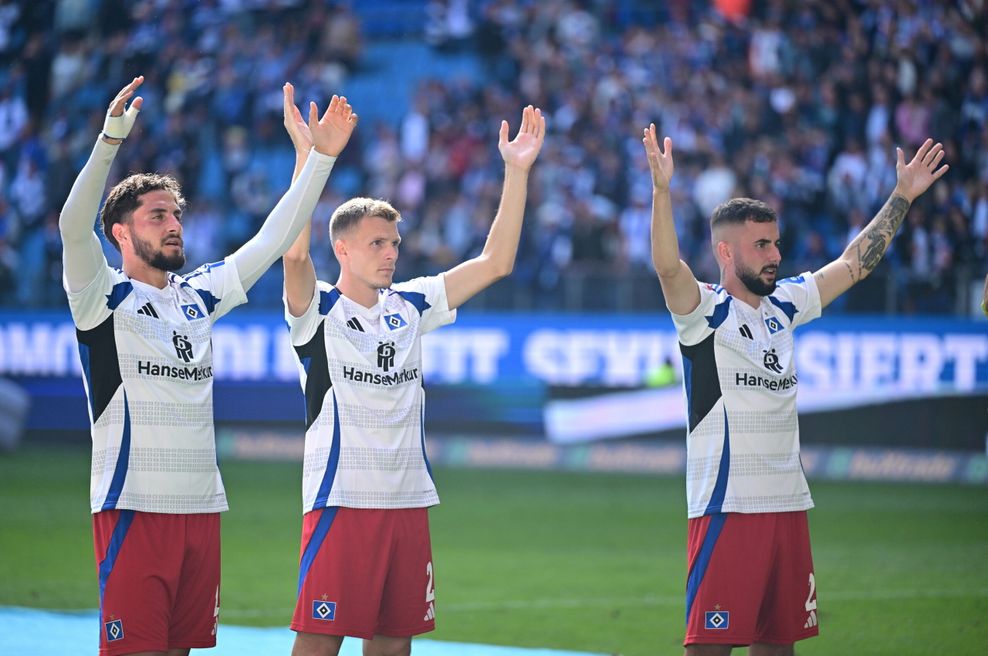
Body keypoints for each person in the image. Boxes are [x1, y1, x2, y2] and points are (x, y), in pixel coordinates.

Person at [60, 76, 356, 656]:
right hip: (133, 507)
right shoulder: (101, 297)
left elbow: (272, 241)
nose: (173, 224)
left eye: (176, 214)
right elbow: (73, 225)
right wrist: (109, 140)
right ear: (119, 232)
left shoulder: (198, 295)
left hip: (202, 507)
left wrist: (320, 160)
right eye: (156, 216)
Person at [642, 124, 947, 656]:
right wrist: (663, 192)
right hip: (727, 507)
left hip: (788, 505)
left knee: (779, 648)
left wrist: (901, 196)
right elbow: (668, 268)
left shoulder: (786, 305)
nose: (774, 254)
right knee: (709, 649)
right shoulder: (705, 315)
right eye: (760, 244)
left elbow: (854, 263)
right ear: (725, 251)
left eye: (776, 242)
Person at [280, 83, 544, 656]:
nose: (391, 252)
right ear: (344, 250)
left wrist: (517, 171)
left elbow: (496, 262)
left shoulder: (412, 305)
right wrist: (311, 159)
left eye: (394, 241)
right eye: (377, 243)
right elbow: (294, 255)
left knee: (394, 641)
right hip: (342, 500)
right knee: (320, 641)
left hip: (406, 501)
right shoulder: (318, 312)